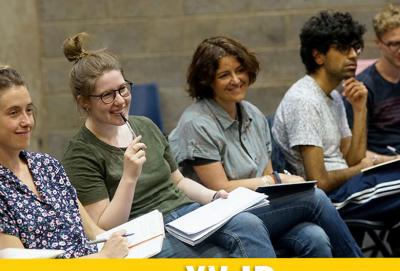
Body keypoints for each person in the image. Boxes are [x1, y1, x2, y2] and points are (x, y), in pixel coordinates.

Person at [61, 32, 284, 258]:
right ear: (84, 101)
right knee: (219, 256)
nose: (120, 100)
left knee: (250, 224)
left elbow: (177, 181)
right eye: (107, 95)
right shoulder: (80, 154)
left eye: (123, 89)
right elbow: (105, 228)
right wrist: (129, 177)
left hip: (185, 214)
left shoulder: (145, 125)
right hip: (143, 232)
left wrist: (213, 197)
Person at [168, 36, 362, 258]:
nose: (236, 79)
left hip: (258, 206)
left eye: (240, 70)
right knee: (314, 197)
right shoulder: (197, 122)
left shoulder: (253, 113)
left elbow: (266, 173)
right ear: (207, 82)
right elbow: (220, 188)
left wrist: (273, 181)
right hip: (222, 216)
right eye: (224, 75)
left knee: (315, 238)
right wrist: (275, 180)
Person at [272, 11, 400, 253]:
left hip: (350, 184)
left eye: (354, 47)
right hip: (330, 199)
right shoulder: (304, 100)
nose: (353, 55)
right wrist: (359, 168)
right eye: (343, 48)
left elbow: (352, 156)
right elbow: (318, 181)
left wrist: (360, 109)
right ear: (318, 56)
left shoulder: (333, 96)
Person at [0, 66, 129, 258]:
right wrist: (103, 259)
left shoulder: (47, 166)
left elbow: (93, 232)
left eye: (29, 110)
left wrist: (122, 242)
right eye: (14, 113)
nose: (27, 121)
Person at [344, 4, 400, 164]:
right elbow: (351, 151)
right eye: (394, 44)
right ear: (379, 43)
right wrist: (392, 160)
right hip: (382, 165)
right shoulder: (364, 86)